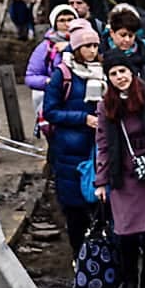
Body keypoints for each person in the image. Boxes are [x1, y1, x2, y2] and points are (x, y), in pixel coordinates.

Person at [93, 49, 145, 288]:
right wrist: (101, 181)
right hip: (124, 176)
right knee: (125, 232)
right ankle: (129, 285)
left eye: (122, 71)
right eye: (113, 74)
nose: (119, 77)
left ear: (132, 72)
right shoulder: (107, 105)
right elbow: (103, 143)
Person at [42, 23, 106, 253]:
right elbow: (50, 111)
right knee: (75, 209)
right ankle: (79, 255)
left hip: (98, 146)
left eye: (95, 46)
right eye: (87, 46)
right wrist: (83, 118)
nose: (91, 50)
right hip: (70, 148)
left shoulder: (104, 71)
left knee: (100, 207)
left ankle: (99, 258)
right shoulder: (63, 74)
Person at [25, 2, 79, 131]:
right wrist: (49, 82)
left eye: (70, 19)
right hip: (55, 97)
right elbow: (30, 77)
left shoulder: (87, 41)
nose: (67, 24)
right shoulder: (45, 48)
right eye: (62, 20)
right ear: (55, 23)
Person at [104, 4, 145, 89]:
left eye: (131, 35)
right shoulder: (101, 50)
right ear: (112, 33)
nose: (127, 40)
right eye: (123, 35)